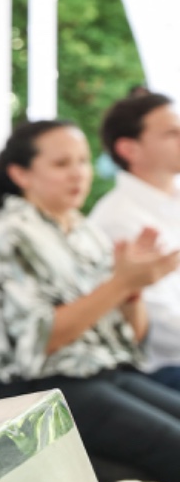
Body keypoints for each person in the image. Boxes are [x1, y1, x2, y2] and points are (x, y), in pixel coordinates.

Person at [0, 119, 180, 482]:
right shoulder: (14, 233)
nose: (78, 174)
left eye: (83, 162)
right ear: (21, 173)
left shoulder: (81, 229)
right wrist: (120, 283)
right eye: (62, 163)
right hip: (39, 388)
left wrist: (132, 290)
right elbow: (40, 341)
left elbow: (130, 337)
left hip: (101, 372)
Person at [89, 90, 180, 390]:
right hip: (162, 368)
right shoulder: (117, 219)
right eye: (171, 133)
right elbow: (161, 328)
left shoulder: (172, 203)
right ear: (130, 149)